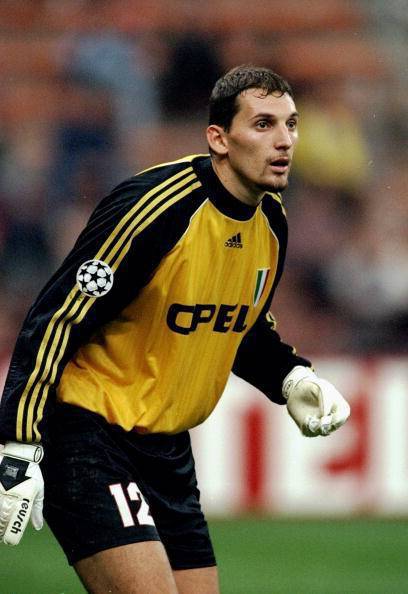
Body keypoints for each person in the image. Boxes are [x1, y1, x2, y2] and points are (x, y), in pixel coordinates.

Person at [0, 65, 350, 594]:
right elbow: (58, 316)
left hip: (168, 452)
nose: (284, 140)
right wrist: (19, 442)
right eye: (263, 124)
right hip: (88, 431)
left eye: (291, 124)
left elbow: (242, 326)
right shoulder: (155, 209)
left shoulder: (272, 221)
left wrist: (290, 377)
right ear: (219, 139)